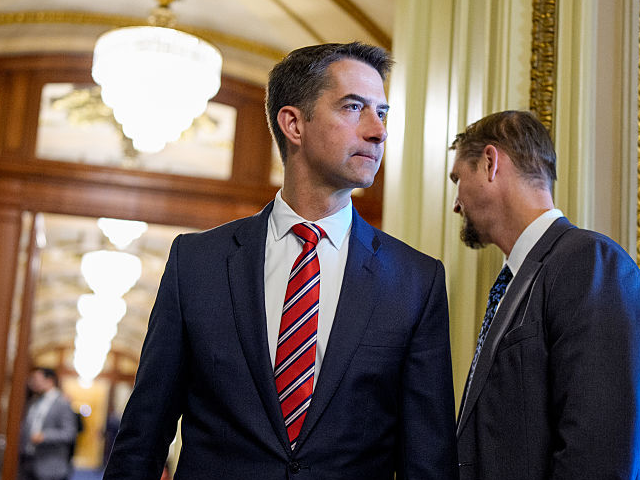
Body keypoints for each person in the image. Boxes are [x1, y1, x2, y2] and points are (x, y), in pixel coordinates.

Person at [103, 42, 458, 479]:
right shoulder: (197, 264)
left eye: (382, 113)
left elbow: (429, 458)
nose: (377, 131)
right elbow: (143, 436)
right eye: (353, 107)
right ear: (293, 123)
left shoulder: (415, 280)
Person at [449, 110, 640, 479]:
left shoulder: (589, 261)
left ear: (490, 162)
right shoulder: (516, 278)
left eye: (458, 178)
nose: (456, 203)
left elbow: (599, 457)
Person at [18, 367, 78, 480]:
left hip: (49, 465)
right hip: (27, 462)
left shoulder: (62, 403)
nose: (33, 382)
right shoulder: (34, 401)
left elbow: (69, 433)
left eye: (36, 379)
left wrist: (44, 436)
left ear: (49, 381)